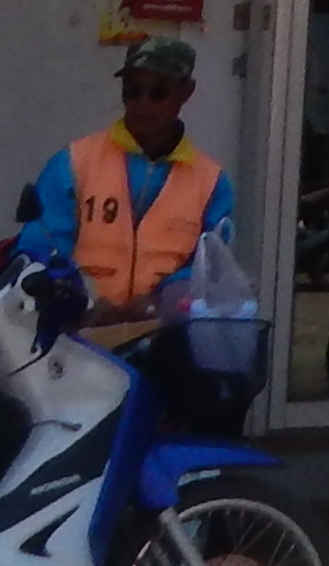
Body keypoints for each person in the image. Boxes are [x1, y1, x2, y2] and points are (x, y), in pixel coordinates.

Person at [19, 39, 235, 341]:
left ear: (186, 92)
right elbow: (39, 247)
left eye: (158, 92)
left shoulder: (211, 181)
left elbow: (210, 267)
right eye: (132, 91)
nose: (143, 104)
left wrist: (161, 299)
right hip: (77, 337)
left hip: (166, 340)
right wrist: (83, 298)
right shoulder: (73, 162)